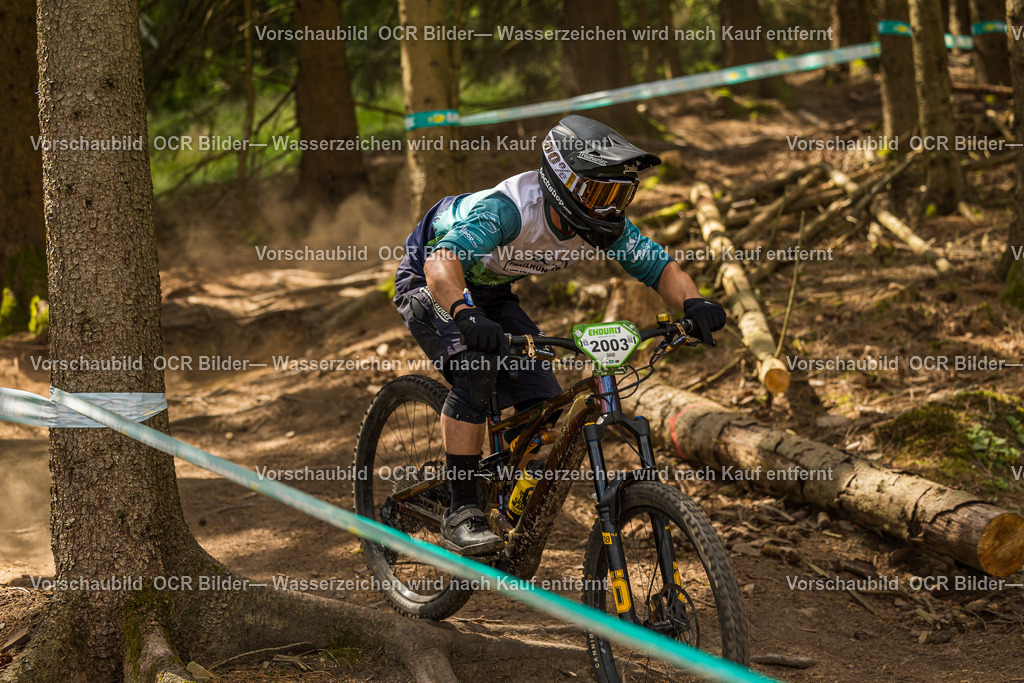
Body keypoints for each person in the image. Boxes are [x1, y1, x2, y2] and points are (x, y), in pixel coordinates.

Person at [392, 114, 726, 555]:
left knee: (543, 405)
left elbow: (660, 268)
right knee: (475, 370)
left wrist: (693, 304)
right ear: (563, 184)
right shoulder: (509, 210)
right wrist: (463, 314)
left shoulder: (603, 225)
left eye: (619, 195)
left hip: (488, 288)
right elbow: (442, 264)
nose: (610, 207)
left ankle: (499, 487)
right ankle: (462, 509)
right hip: (432, 276)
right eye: (599, 193)